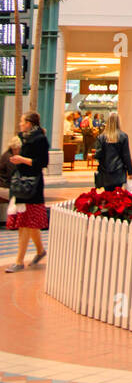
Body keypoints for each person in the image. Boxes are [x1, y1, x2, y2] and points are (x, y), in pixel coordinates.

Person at [5, 111, 49, 272]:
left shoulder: (40, 139)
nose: (20, 124)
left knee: (25, 223)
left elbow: (42, 162)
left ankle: (19, 261)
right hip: (22, 184)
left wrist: (22, 159)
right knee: (29, 223)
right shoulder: (24, 137)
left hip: (31, 185)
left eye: (22, 121)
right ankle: (40, 251)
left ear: (29, 123)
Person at [93, 113, 132, 191]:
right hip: (119, 171)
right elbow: (126, 155)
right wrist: (130, 171)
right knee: (117, 195)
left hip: (105, 172)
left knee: (107, 194)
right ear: (118, 122)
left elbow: (98, 155)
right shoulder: (123, 136)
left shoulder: (101, 137)